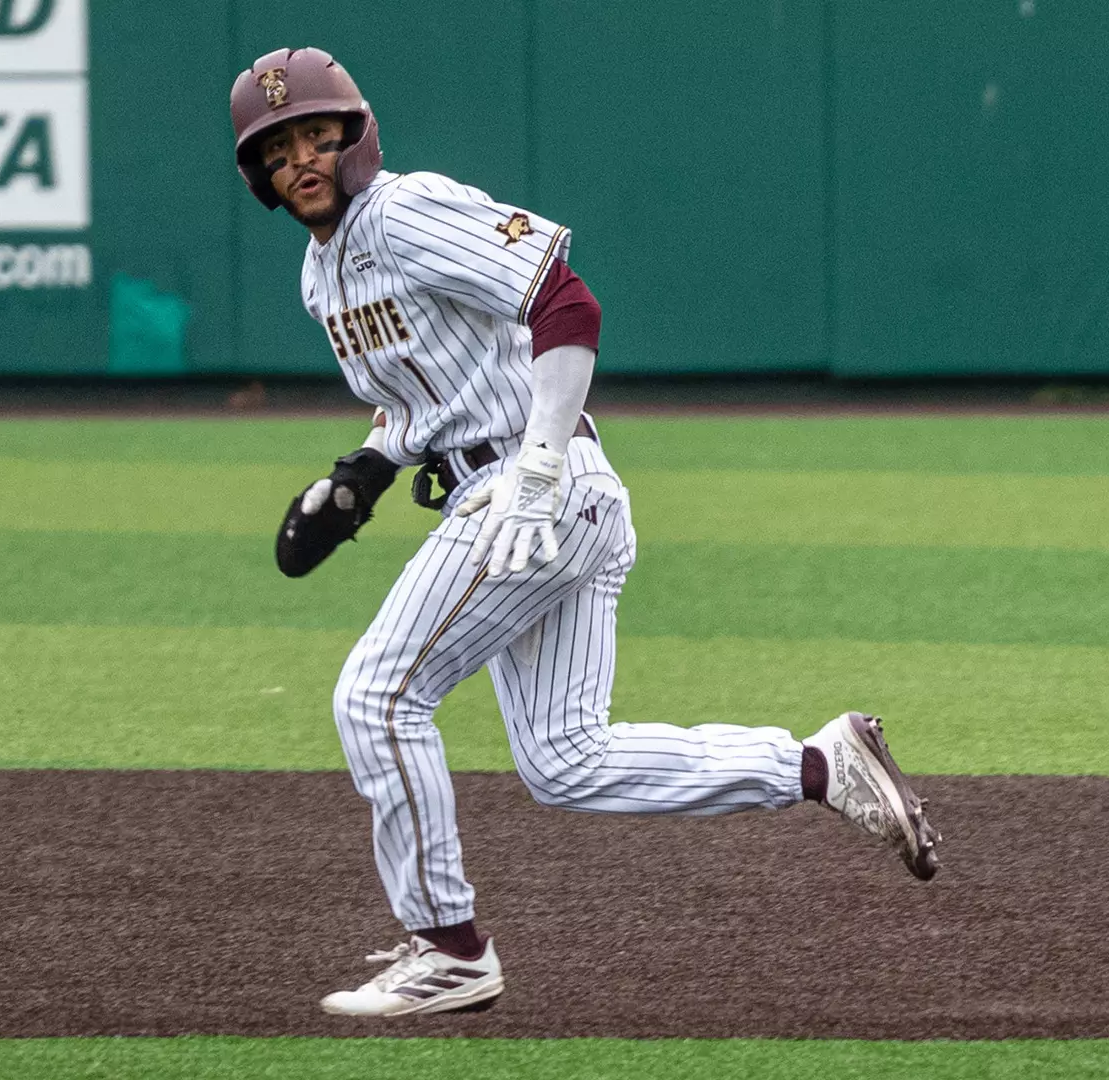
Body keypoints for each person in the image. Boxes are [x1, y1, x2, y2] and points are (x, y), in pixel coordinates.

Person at [230, 47, 940, 1018]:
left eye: (317, 134)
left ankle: (449, 948)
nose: (301, 159)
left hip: (536, 491)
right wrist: (359, 476)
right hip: (545, 496)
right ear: (261, 178)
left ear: (358, 137)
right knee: (566, 759)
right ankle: (821, 763)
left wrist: (536, 468)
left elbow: (565, 302)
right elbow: (421, 402)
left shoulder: (404, 210)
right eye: (278, 150)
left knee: (379, 698)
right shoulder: (324, 276)